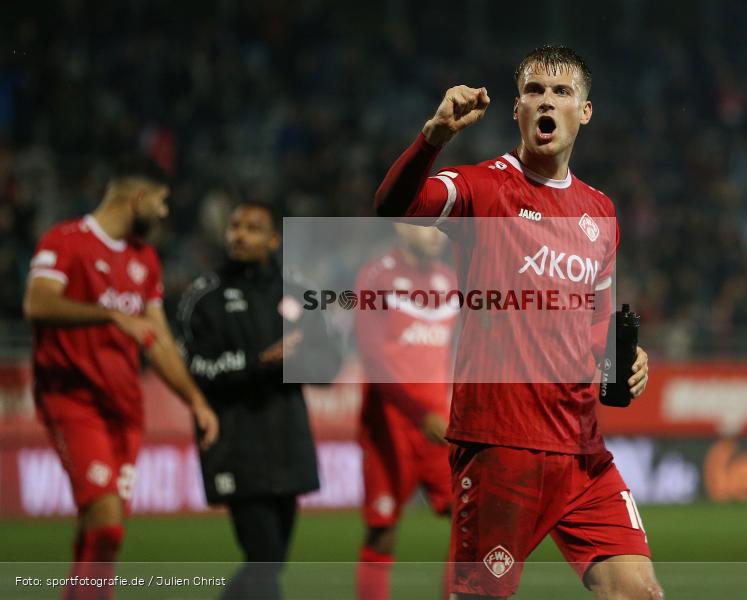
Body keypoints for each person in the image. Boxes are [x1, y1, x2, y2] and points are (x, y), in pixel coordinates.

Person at [374, 45, 662, 599]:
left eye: (561, 92)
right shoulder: (485, 187)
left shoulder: (599, 211)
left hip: (583, 452)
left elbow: (597, 323)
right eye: (533, 91)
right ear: (517, 110)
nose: (545, 102)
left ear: (585, 111)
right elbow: (393, 208)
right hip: (502, 447)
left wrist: (628, 361)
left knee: (638, 593)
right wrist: (434, 136)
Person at [22, 156, 219, 600]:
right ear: (138, 198)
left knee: (100, 534)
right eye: (162, 202)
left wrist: (197, 401)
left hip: (125, 409)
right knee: (107, 525)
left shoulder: (144, 258)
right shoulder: (65, 241)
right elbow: (37, 304)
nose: (166, 213)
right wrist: (110, 314)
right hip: (73, 400)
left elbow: (160, 340)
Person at [175, 201, 342, 600]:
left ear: (273, 239)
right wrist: (260, 362)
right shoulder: (205, 296)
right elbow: (196, 368)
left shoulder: (299, 291)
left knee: (269, 561)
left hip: (288, 439)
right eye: (234, 226)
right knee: (264, 558)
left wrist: (296, 361)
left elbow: (329, 363)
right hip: (236, 441)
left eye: (251, 228)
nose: (238, 234)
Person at [355, 223, 458, 600]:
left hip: (440, 426)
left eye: (441, 227)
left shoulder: (449, 280)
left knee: (468, 522)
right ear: (401, 226)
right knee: (382, 532)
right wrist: (419, 412)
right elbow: (373, 360)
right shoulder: (376, 276)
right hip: (390, 425)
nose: (437, 234)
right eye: (427, 225)